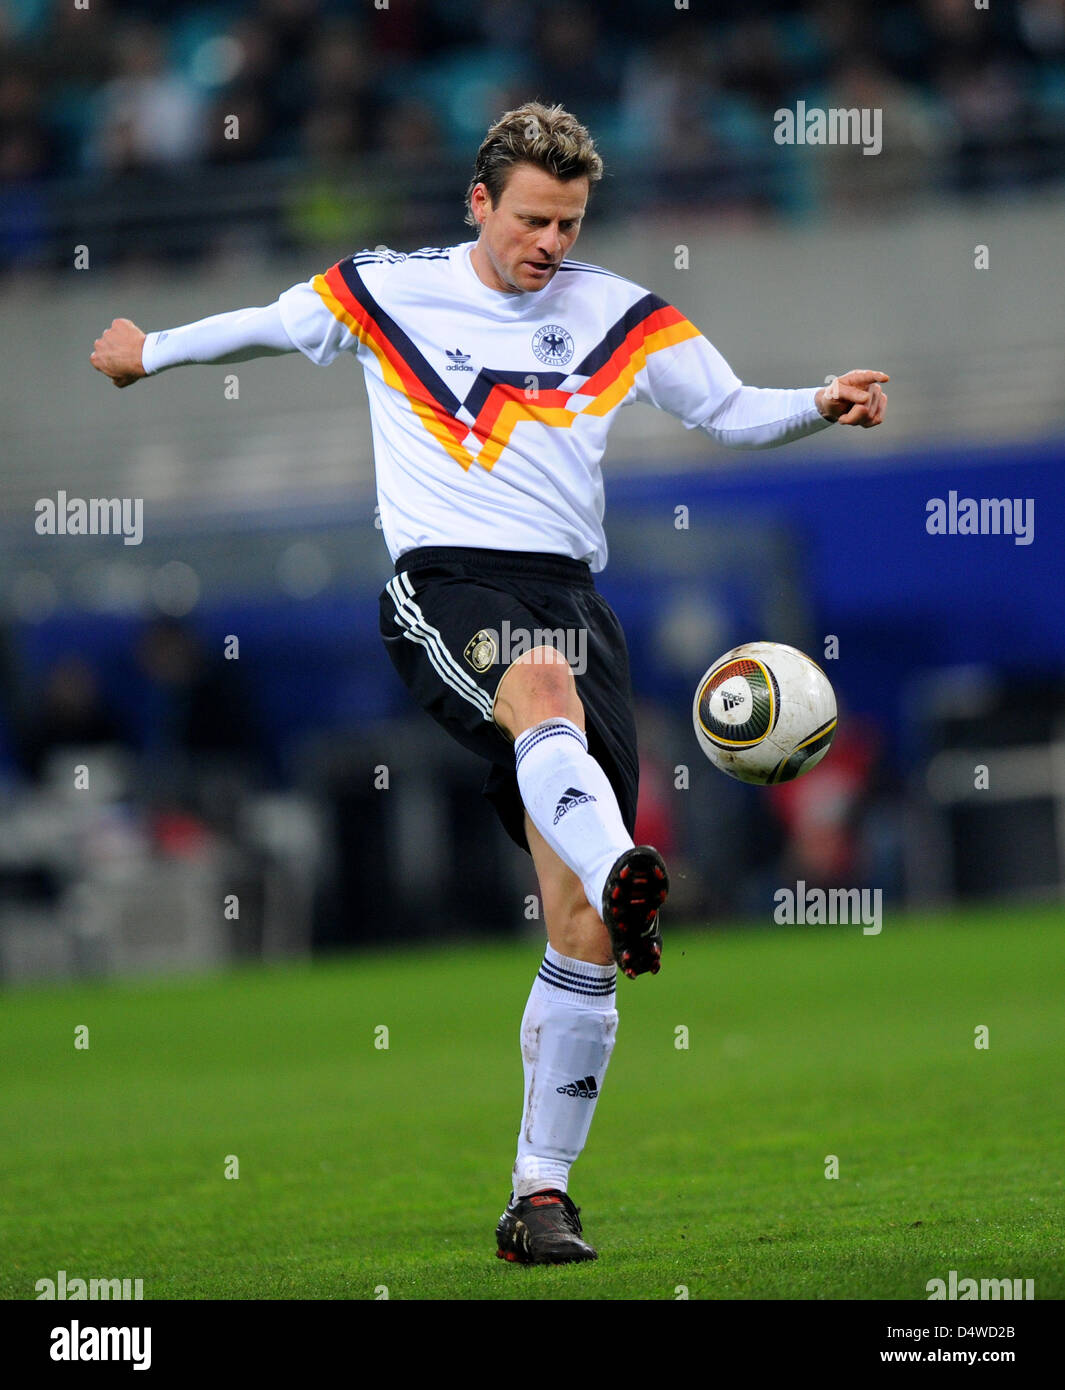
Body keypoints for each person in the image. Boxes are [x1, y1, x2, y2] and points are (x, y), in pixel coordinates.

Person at [90, 101, 888, 1266]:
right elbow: (266, 325)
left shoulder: (621, 312)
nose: (551, 242)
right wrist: (146, 351)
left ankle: (540, 1197)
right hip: (447, 585)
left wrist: (818, 402)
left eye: (569, 222)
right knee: (541, 689)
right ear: (478, 202)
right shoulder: (386, 289)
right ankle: (628, 862)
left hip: (574, 595)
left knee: (581, 928)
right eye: (530, 219)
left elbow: (725, 407)